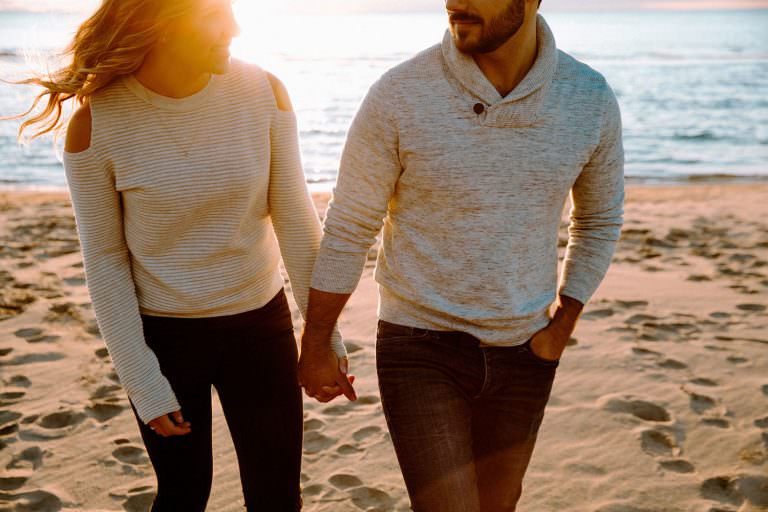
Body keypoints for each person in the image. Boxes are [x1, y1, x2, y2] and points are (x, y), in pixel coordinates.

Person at [6, 0, 347, 509]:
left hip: (260, 326)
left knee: (276, 496)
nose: (235, 27)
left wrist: (324, 338)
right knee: (184, 493)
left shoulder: (263, 92)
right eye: (216, 15)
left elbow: (298, 223)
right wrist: (142, 380)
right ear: (162, 24)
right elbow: (105, 262)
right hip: (165, 340)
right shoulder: (96, 124)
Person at [298, 0, 624, 510]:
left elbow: (599, 220)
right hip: (419, 348)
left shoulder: (589, 98)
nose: (454, 2)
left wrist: (562, 324)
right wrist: (317, 340)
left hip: (526, 350)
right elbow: (350, 225)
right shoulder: (398, 94)